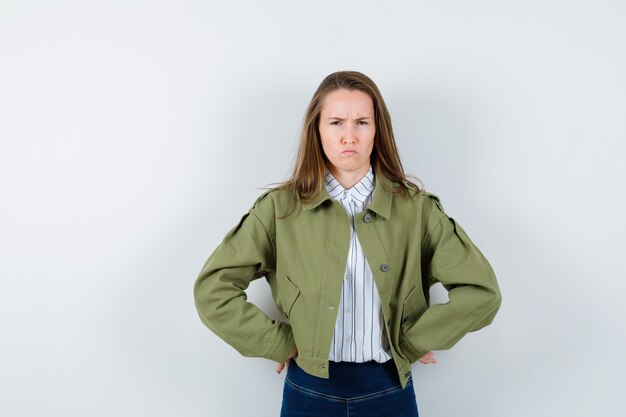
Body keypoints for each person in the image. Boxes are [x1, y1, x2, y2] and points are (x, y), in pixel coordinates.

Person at [193, 70, 502, 417]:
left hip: (390, 390)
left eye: (362, 122)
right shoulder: (280, 209)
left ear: (377, 130)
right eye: (336, 122)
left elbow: (482, 293)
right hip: (308, 391)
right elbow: (212, 291)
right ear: (318, 129)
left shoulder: (417, 210)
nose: (349, 137)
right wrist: (276, 342)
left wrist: (414, 341)